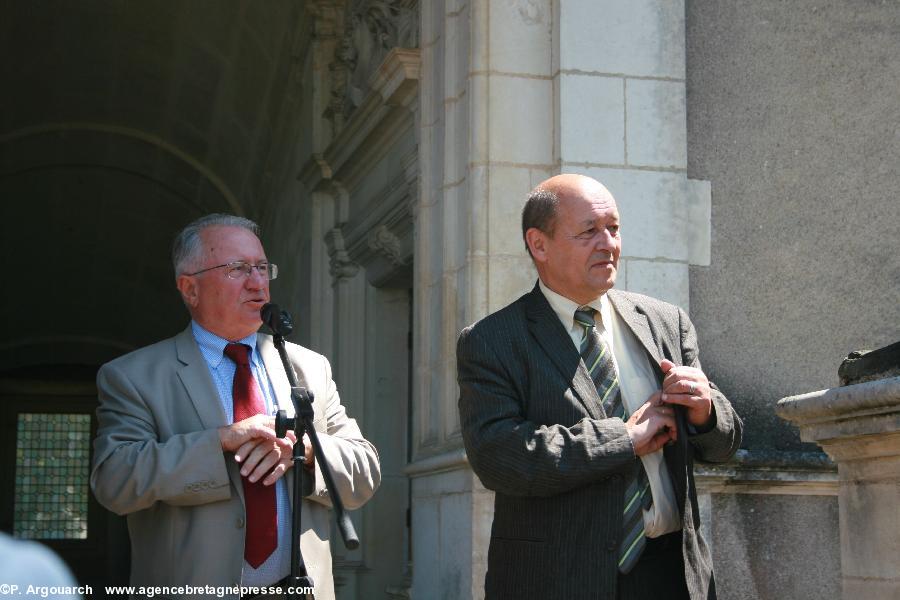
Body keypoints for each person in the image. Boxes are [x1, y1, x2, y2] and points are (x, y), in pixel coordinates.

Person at [457, 174, 742, 600]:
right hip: (557, 581)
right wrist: (623, 439)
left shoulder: (666, 322)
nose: (608, 243)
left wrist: (706, 412)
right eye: (589, 231)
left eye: (614, 228)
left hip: (672, 577)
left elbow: (724, 446)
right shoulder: (493, 340)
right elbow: (499, 456)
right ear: (539, 244)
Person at [91, 214, 380, 599]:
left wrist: (306, 451)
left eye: (262, 268)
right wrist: (221, 441)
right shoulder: (134, 376)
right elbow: (114, 481)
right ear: (190, 288)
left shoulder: (309, 368)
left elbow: (365, 470)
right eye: (238, 269)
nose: (257, 282)